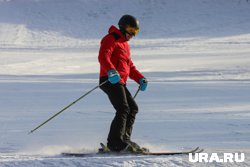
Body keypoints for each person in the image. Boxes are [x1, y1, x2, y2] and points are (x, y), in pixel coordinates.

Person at [98, 15, 148, 152]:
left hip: (119, 81)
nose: (133, 34)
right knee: (123, 108)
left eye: (135, 32)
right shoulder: (110, 39)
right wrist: (111, 71)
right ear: (123, 27)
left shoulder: (125, 45)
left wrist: (140, 78)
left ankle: (124, 139)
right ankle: (114, 143)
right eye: (131, 30)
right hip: (109, 79)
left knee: (133, 108)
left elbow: (129, 66)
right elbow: (103, 56)